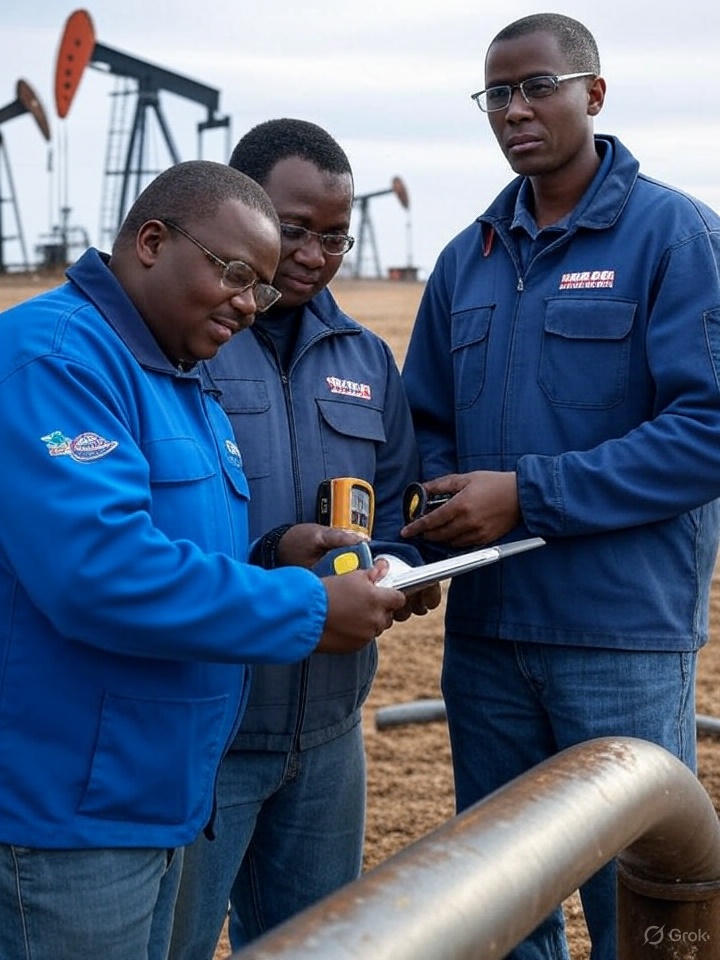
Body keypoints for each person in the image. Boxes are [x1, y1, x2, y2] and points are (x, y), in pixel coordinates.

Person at [0, 159, 408, 960]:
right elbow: (101, 574)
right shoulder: (55, 361)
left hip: (155, 797)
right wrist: (308, 608)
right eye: (234, 274)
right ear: (152, 241)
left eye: (260, 288)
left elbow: (178, 547)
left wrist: (272, 552)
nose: (250, 306)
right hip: (65, 818)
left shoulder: (180, 376)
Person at [400, 13, 720, 960]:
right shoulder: (469, 257)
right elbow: (425, 424)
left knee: (642, 901)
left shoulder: (675, 238)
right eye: (496, 94)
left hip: (616, 635)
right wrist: (423, 521)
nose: (515, 110)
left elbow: (707, 432)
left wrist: (527, 495)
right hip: (488, 635)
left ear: (594, 93)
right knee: (502, 904)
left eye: (537, 86)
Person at [169, 119, 440, 958]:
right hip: (206, 732)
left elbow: (395, 502)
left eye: (334, 236)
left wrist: (410, 566)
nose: (315, 255)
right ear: (242, 208)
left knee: (320, 945)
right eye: (294, 229)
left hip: (328, 735)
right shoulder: (181, 347)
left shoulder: (363, 356)